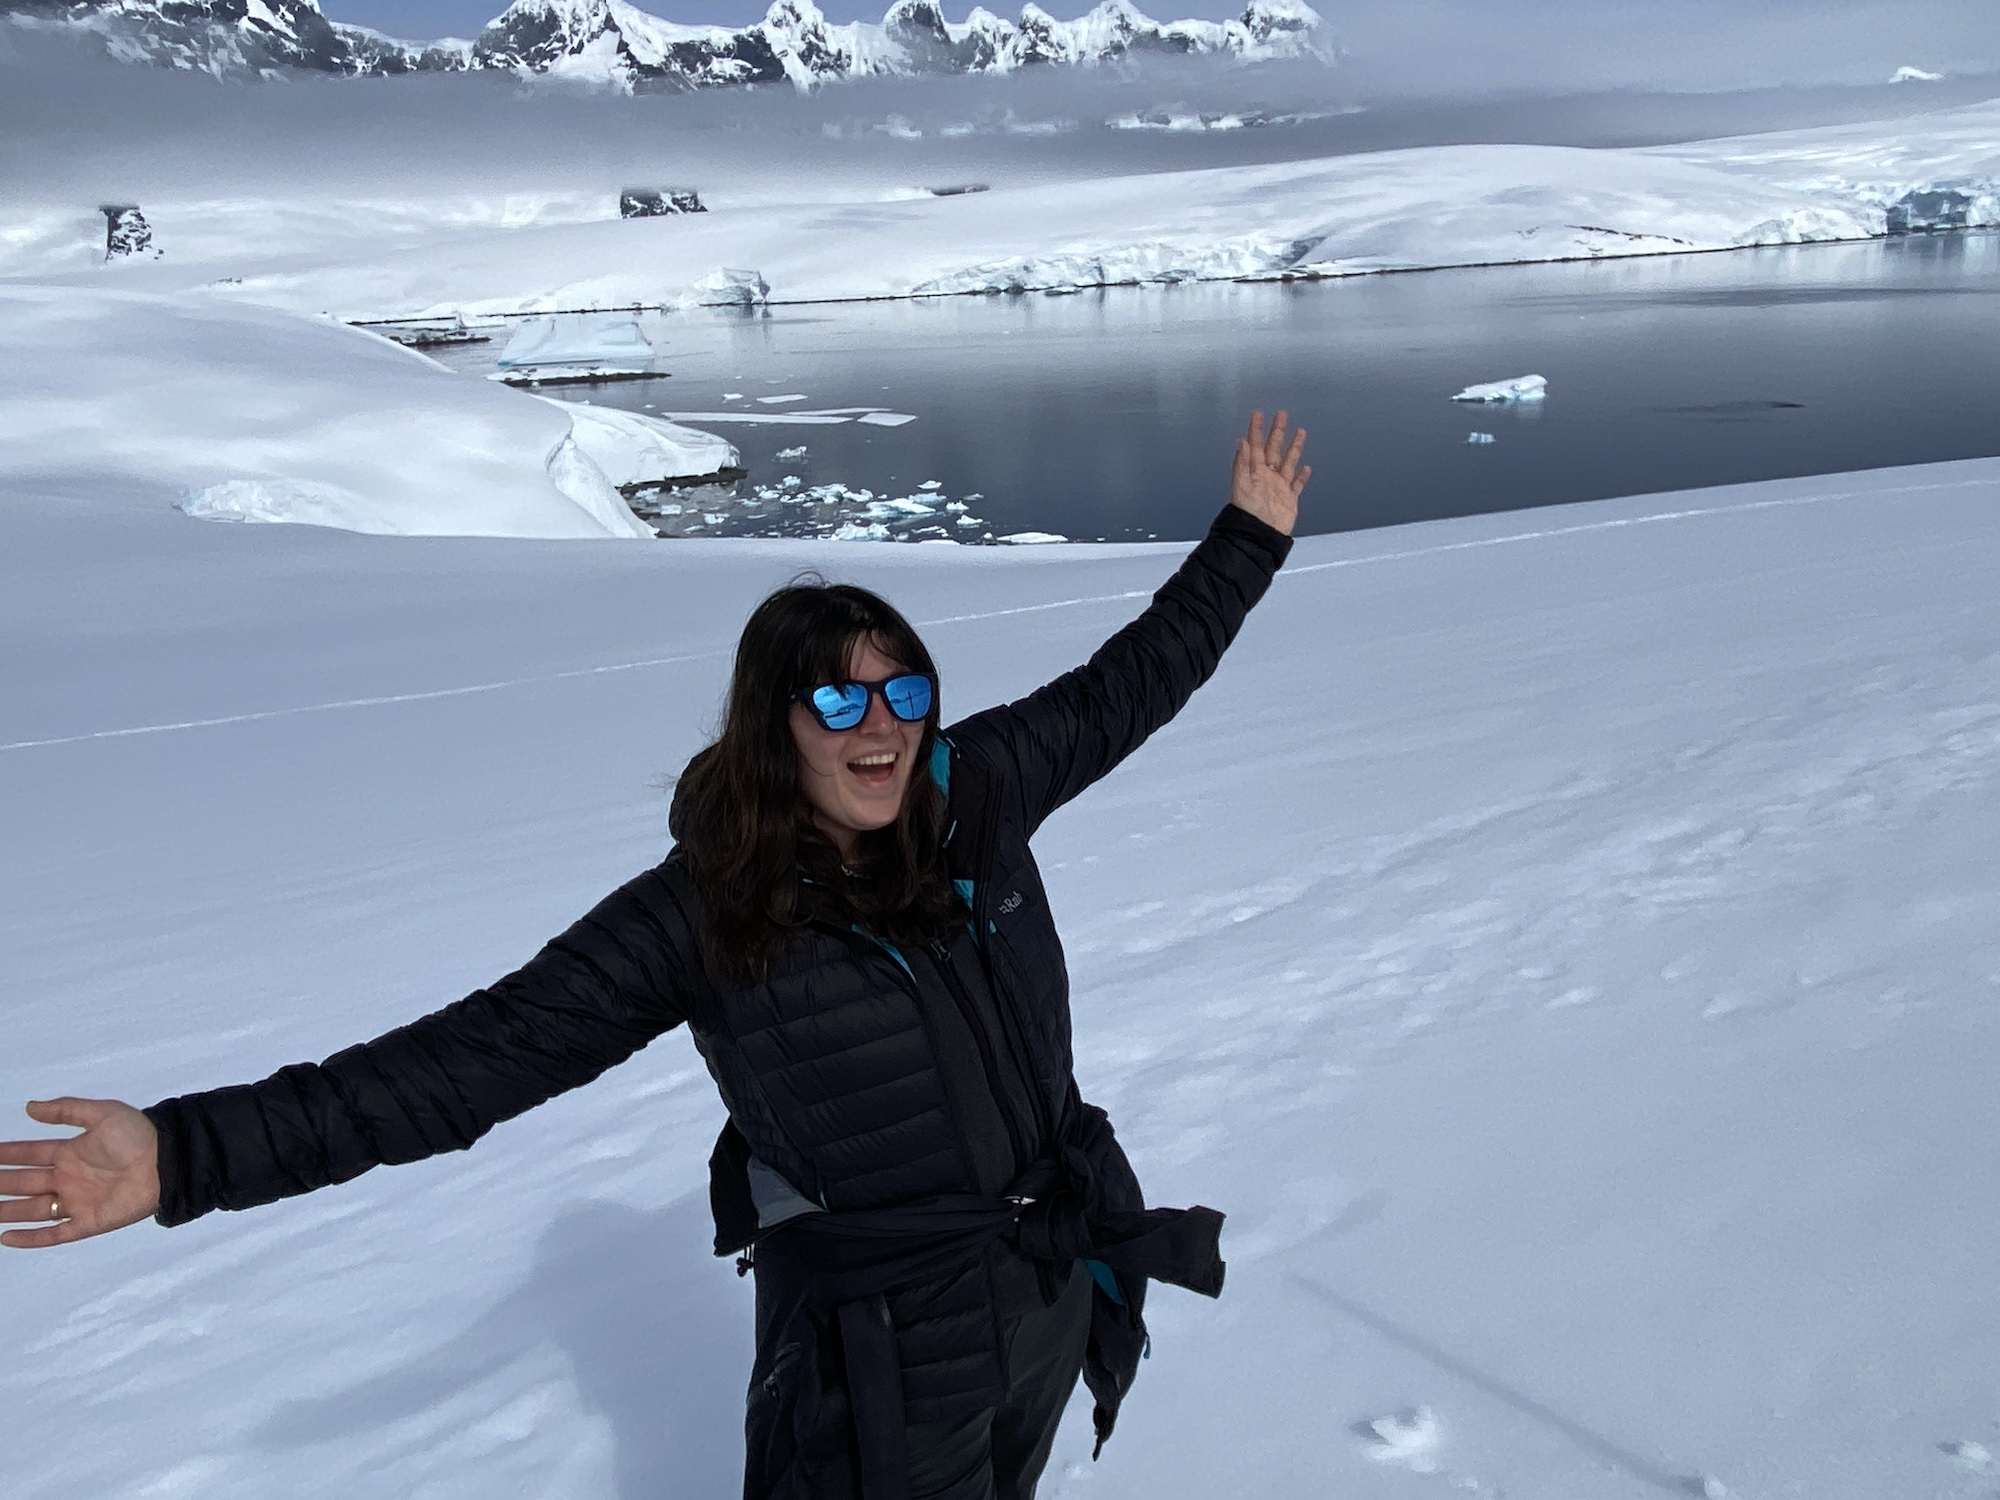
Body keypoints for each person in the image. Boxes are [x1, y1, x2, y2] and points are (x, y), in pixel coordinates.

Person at [1, 411, 1310, 1500]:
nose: (882, 727)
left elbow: (1135, 678)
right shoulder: (704, 914)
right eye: (838, 699)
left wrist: (1247, 543)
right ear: (774, 724)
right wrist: (184, 1154)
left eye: (904, 691)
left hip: (1044, 1282)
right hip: (887, 1343)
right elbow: (463, 1065)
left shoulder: (980, 789)